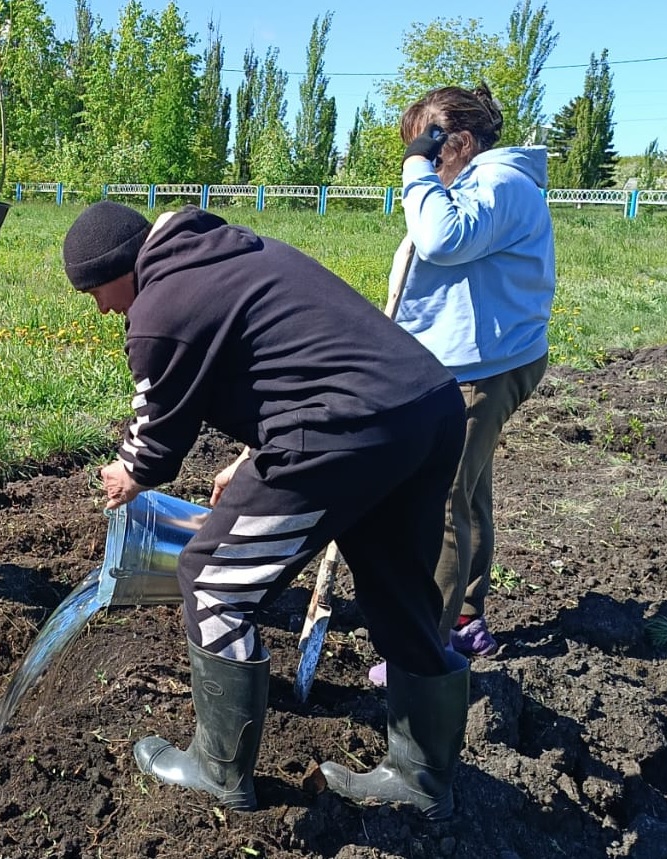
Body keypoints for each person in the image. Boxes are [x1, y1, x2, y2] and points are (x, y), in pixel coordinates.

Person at [62, 200, 469, 819]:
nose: (103, 308)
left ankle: (217, 769)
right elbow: (301, 361)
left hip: (342, 429)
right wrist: (253, 455)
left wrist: (130, 471)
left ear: (122, 267)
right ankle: (420, 778)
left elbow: (159, 439)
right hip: (426, 409)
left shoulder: (158, 309)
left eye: (97, 291)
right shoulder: (229, 254)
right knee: (398, 586)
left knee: (212, 580)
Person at [369, 84, 556, 682]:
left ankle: (424, 652)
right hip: (476, 361)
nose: (424, 161)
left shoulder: (500, 184)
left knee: (443, 501)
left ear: (463, 142)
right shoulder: (482, 186)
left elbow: (440, 241)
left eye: (432, 148)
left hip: (485, 368)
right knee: (470, 490)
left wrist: (413, 172)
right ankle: (465, 616)